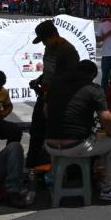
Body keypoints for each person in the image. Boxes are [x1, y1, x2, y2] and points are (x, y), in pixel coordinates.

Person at [44, 60, 111, 201]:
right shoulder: (93, 89)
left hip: (50, 146)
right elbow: (107, 119)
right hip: (75, 145)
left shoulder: (56, 86)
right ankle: (109, 188)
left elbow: (46, 112)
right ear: (92, 75)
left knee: (92, 139)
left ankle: (55, 177)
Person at [26, 19, 80, 169]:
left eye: (44, 40)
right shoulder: (50, 48)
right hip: (45, 95)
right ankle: (32, 163)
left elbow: (72, 77)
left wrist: (53, 89)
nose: (43, 44)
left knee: (50, 132)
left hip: (57, 99)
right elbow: (49, 70)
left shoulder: (68, 51)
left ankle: (47, 165)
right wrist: (39, 80)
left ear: (53, 35)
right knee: (36, 130)